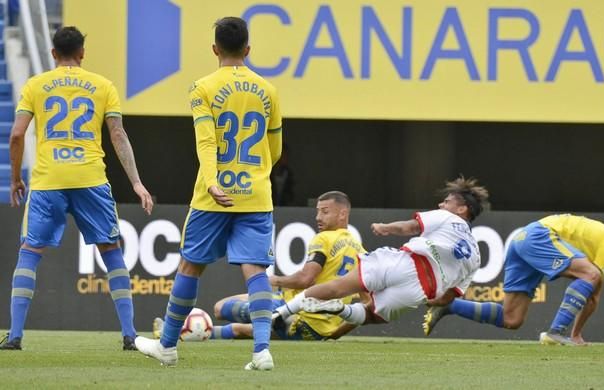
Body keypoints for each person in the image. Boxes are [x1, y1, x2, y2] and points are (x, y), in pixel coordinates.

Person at [134, 17, 282, 370]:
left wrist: (215, 180)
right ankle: (261, 351)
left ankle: (168, 346)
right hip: (256, 195)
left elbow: (206, 139)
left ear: (215, 49)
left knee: (190, 266)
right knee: (256, 271)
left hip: (211, 195)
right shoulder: (268, 90)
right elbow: (274, 148)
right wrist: (255, 176)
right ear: (248, 49)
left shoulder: (202, 87)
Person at [0, 26, 154, 351]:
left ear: (53, 54)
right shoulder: (103, 86)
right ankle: (129, 334)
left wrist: (15, 179)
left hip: (48, 180)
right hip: (90, 179)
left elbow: (16, 135)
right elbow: (118, 136)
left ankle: (14, 336)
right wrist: (137, 183)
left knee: (29, 253)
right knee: (110, 251)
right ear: (82, 53)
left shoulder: (36, 85)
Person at [275, 176, 490, 329]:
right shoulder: (476, 256)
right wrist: (429, 299)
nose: (441, 204)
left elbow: (411, 227)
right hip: (421, 289)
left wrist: (385, 228)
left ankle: (282, 313)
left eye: (447, 201)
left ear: (462, 209)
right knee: (371, 315)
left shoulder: (448, 217)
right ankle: (340, 310)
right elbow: (447, 298)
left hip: (404, 262)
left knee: (337, 287)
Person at [152, 191, 365, 341]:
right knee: (243, 325)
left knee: (221, 309)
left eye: (325, 211)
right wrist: (335, 333)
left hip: (297, 317)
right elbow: (366, 305)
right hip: (317, 328)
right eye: (317, 211)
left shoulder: (325, 239)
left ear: (342, 214)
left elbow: (305, 279)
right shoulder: (361, 252)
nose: (318, 217)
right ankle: (187, 331)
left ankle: (176, 332)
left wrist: (273, 280)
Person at [423, 214, 604, 346]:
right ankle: (556, 333)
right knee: (591, 276)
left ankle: (449, 306)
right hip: (541, 236)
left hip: (523, 242)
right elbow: (593, 291)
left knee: (511, 318)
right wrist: (576, 334)